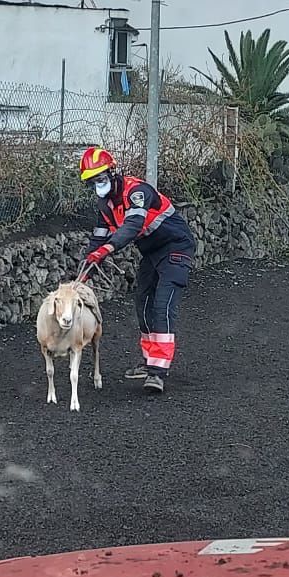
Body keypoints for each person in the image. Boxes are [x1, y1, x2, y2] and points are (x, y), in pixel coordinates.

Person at [78, 145, 196, 393]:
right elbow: (98, 238)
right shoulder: (105, 205)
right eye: (91, 182)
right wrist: (85, 270)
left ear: (112, 172)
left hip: (175, 247)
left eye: (99, 178)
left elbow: (132, 226)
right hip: (152, 253)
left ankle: (157, 372)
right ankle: (148, 362)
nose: (97, 185)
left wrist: (107, 250)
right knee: (143, 305)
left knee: (162, 305)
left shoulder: (138, 192)